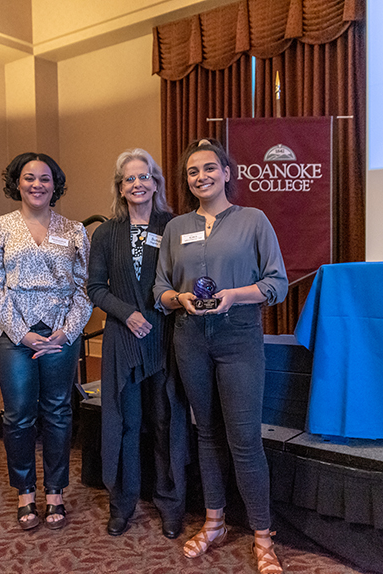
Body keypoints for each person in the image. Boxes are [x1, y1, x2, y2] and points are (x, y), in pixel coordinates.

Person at [153, 138, 288, 574]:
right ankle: (215, 523)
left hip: (238, 336)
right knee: (206, 433)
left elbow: (276, 283)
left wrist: (234, 296)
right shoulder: (176, 228)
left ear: (227, 173)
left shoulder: (253, 220)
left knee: (244, 440)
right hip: (190, 336)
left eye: (209, 168)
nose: (201, 177)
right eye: (193, 172)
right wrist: (178, 298)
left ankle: (264, 537)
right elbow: (160, 289)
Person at [0, 152, 93, 531]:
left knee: (58, 411)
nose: (37, 184)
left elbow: (87, 285)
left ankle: (55, 491)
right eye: (29, 177)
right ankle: (25, 491)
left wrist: (69, 330)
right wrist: (21, 331)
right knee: (19, 413)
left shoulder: (74, 230)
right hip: (12, 332)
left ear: (55, 183)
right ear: (17, 182)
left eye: (45, 178)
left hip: (60, 330)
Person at [87, 149, 189, 539]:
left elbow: (183, 277)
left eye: (144, 176)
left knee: (167, 423)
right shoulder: (107, 232)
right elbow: (95, 286)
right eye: (129, 179)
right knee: (125, 424)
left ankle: (170, 504)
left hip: (164, 338)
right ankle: (122, 503)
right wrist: (126, 313)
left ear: (156, 182)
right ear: (120, 187)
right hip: (122, 340)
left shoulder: (175, 225)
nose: (137, 184)